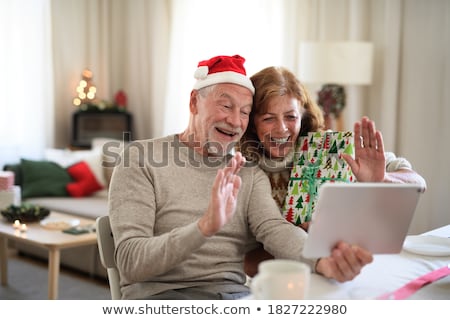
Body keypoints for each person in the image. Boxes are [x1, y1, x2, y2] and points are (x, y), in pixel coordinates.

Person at [108, 55, 373, 300]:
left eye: (245, 112)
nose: (235, 121)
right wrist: (203, 228)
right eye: (226, 106)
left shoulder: (247, 171)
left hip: (235, 298)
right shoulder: (140, 158)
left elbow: (276, 229)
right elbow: (131, 263)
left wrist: (324, 261)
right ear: (193, 102)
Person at [238, 66, 427, 276]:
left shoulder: (331, 146)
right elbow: (244, 260)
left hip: (340, 270)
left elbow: (418, 183)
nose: (282, 128)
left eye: (291, 117)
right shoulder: (242, 168)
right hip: (279, 280)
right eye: (268, 118)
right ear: (252, 123)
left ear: (303, 117)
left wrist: (382, 180)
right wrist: (304, 241)